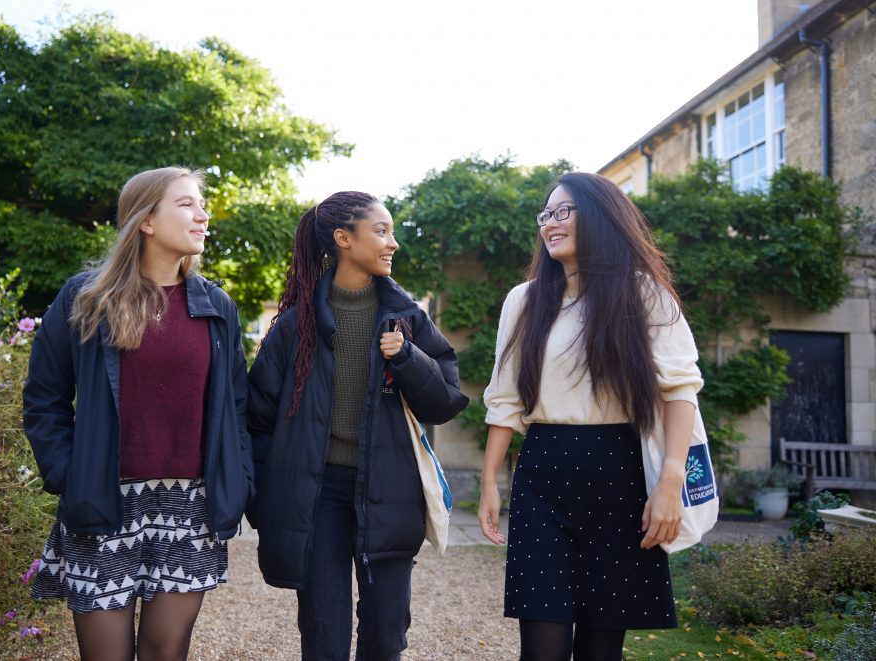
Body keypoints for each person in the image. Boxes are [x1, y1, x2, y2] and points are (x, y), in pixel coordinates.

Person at [22, 166, 254, 661]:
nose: (203, 214)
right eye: (187, 204)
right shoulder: (87, 298)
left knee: (165, 652)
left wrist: (239, 481)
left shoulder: (216, 307)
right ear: (146, 220)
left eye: (201, 204)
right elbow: (44, 397)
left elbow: (237, 405)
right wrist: (69, 473)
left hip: (191, 509)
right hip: (104, 502)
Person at [479, 172, 703, 661]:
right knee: (543, 649)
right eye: (546, 214)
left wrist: (670, 482)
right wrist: (490, 481)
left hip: (620, 478)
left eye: (563, 212)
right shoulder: (524, 300)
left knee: (601, 650)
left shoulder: (644, 294)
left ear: (598, 218)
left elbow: (680, 389)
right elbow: (506, 398)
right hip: (542, 475)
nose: (550, 224)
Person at [246, 191, 468, 660]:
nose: (394, 243)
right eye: (382, 231)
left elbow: (446, 400)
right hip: (317, 496)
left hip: (389, 491)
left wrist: (407, 358)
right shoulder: (294, 326)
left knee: (386, 638)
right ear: (343, 239)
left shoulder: (407, 318)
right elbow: (258, 421)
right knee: (324, 636)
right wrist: (269, 500)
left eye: (392, 232)